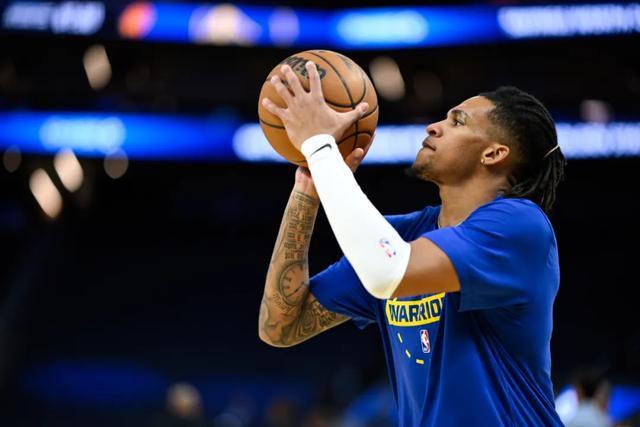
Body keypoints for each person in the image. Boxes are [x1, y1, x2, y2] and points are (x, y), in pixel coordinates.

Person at [258, 61, 566, 426]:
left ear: (494, 154)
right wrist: (309, 188)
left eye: (457, 121)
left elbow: (388, 272)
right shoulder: (401, 237)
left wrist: (320, 147)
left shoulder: (520, 226)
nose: (433, 126)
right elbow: (280, 326)